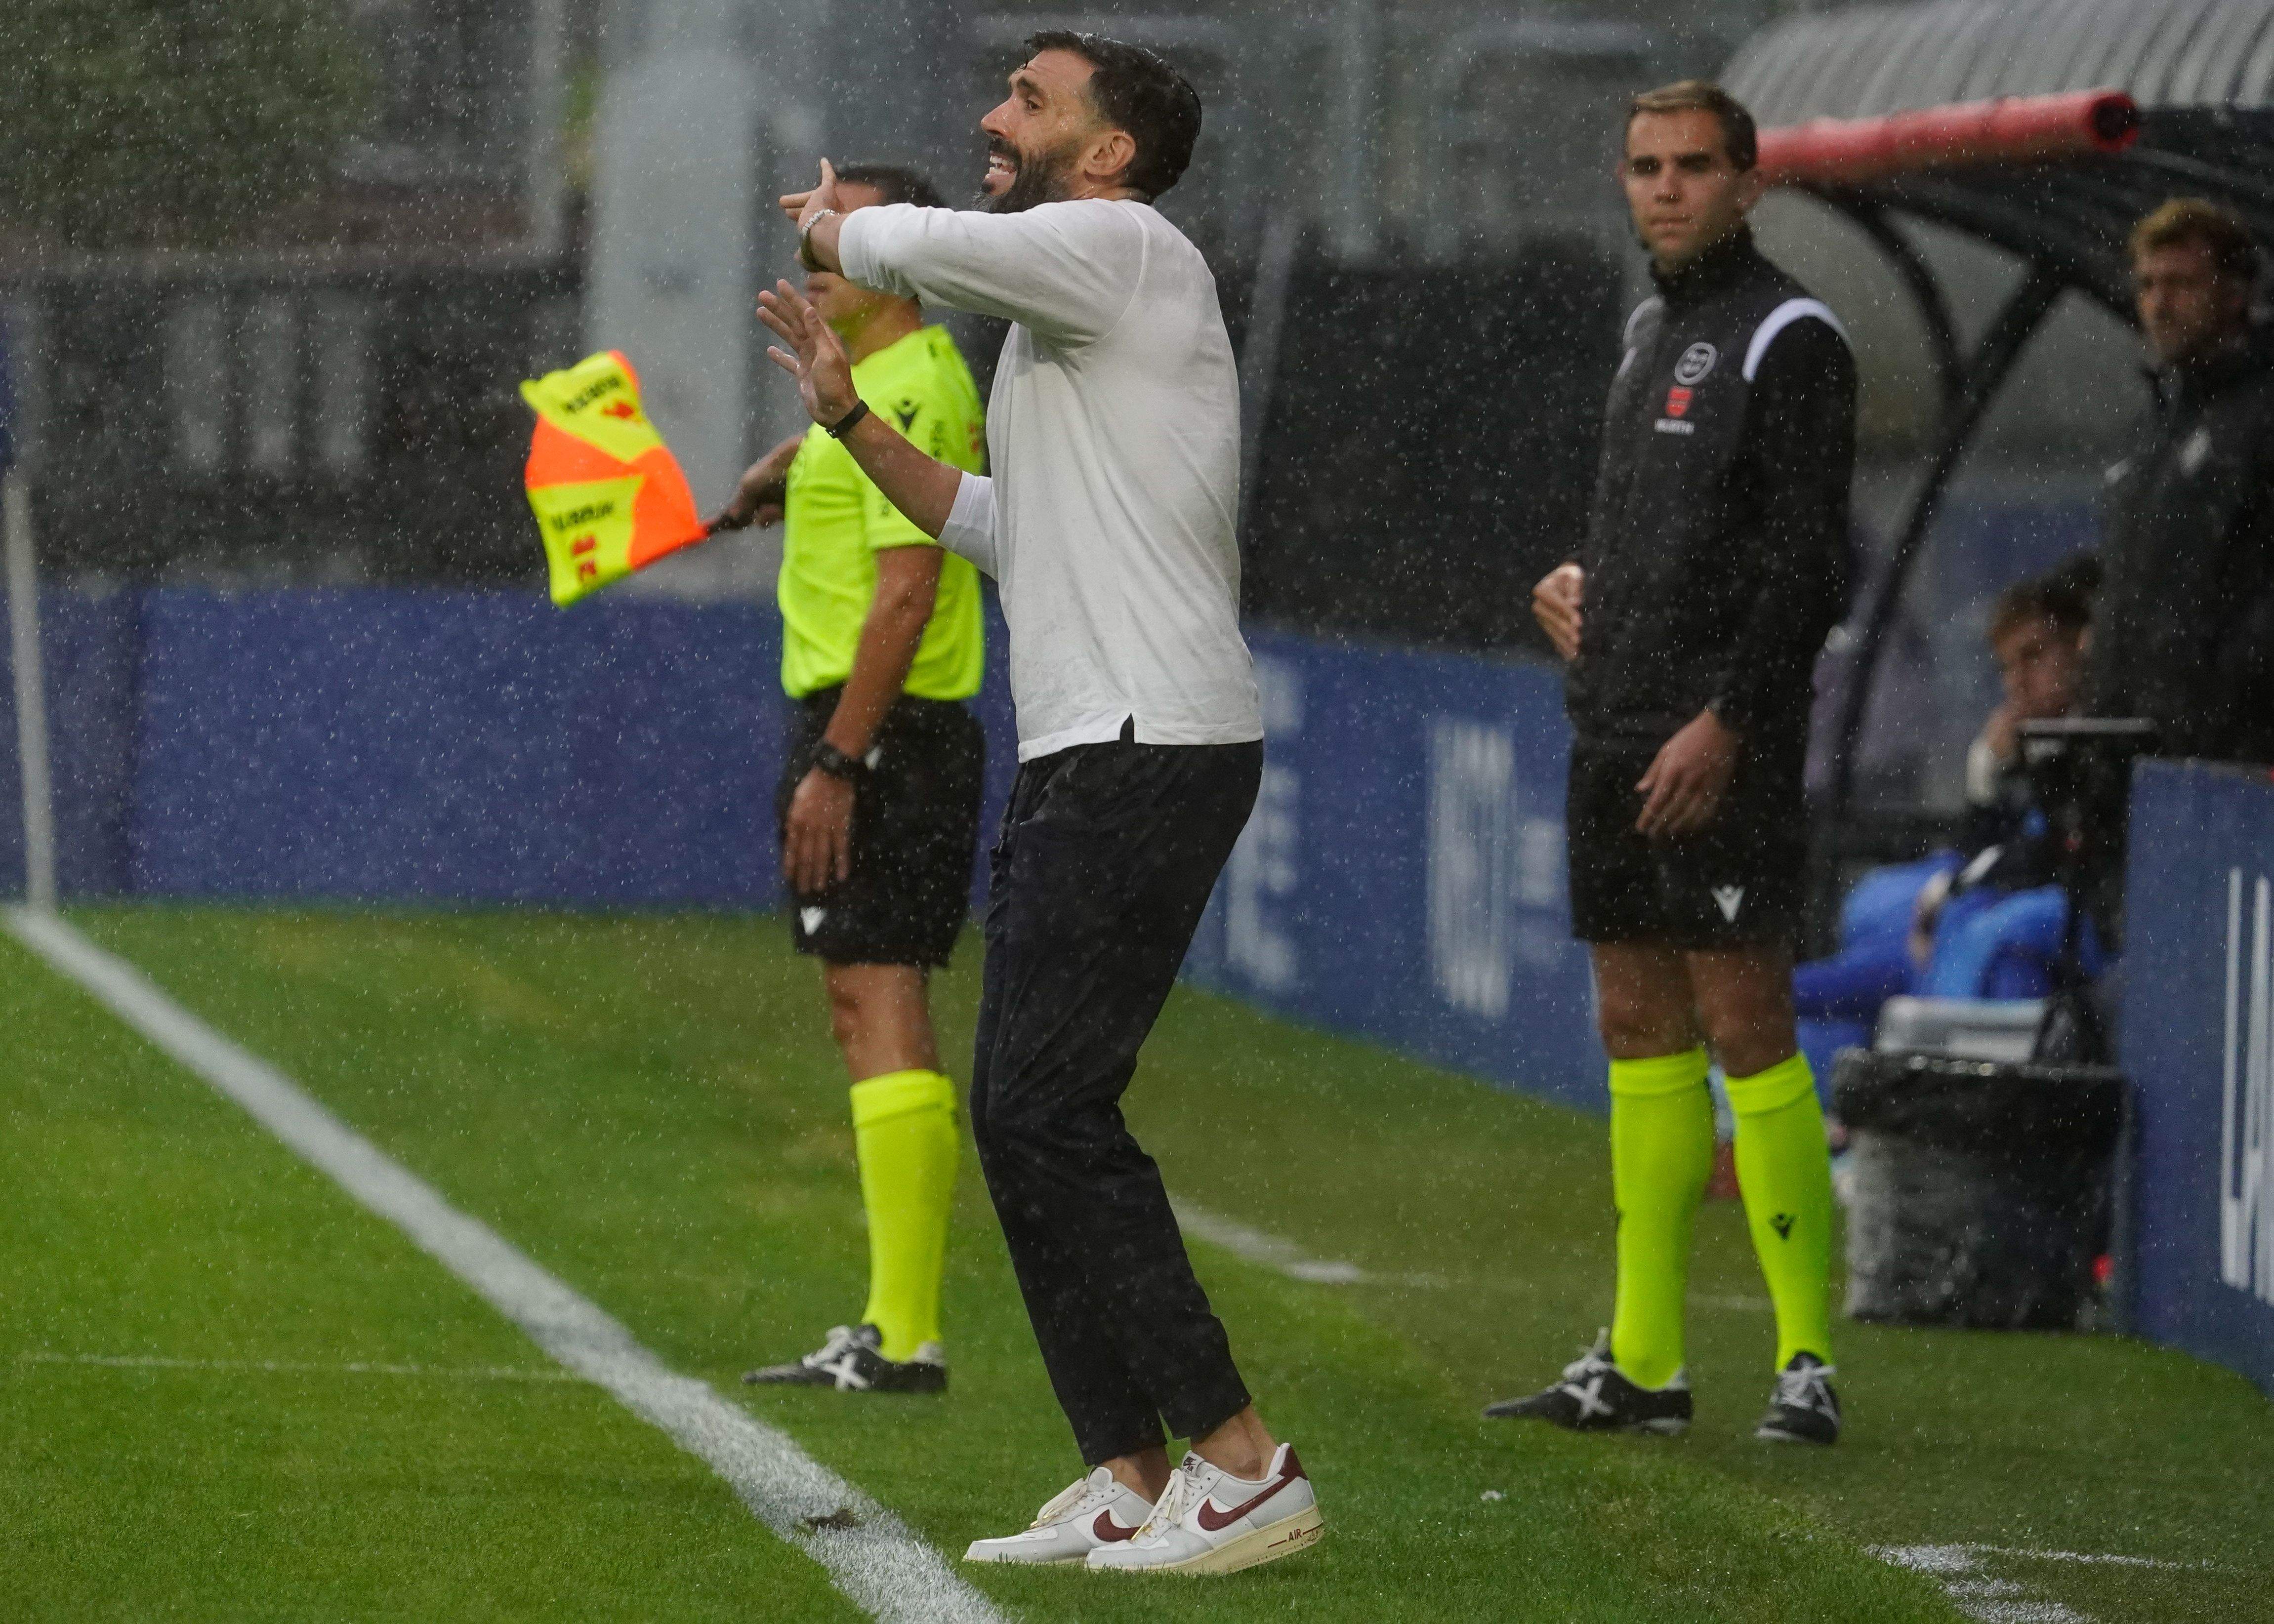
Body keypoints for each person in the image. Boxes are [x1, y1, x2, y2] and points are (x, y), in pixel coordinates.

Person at [765, 31, 1320, 1576]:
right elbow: (1005, 527)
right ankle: (1129, 1468)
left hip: (1148, 739)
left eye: (1029, 100)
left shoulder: (1123, 248)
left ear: (1111, 151)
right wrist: (849, 419)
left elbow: (919, 241)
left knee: (1050, 1111)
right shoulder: (1075, 301)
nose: (992, 117)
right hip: (1096, 740)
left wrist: (833, 228)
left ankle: (1243, 1461)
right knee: (1023, 1115)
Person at [1494, 80, 1856, 1445]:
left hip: (1720, 741)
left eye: (1694, 166)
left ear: (1749, 183)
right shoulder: (1651, 329)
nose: (1666, 188)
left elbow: (1808, 561)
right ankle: (1642, 1360)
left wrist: (1732, 720)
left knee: (1746, 1024)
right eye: (1644, 165)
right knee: (1633, 1026)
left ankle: (1806, 1360)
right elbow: (1652, 528)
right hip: (1614, 723)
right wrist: (1578, 589)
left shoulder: (1790, 335)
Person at [706, 165, 990, 1396]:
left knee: (881, 999)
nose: (818, 252)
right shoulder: (874, 389)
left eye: (842, 236)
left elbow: (910, 587)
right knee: (860, 1000)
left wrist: (839, 758)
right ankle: (893, 1322)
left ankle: (905, 1332)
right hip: (869, 725)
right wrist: (788, 463)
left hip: (887, 731)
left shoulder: (917, 385)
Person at [2092, 198, 2274, 767]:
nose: (2158, 305)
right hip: (2135, 752)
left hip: (2226, 759)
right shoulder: (2155, 427)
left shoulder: (2261, 416)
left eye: (2181, 284)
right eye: (2147, 285)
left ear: (2237, 294)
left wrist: (2224, 707)